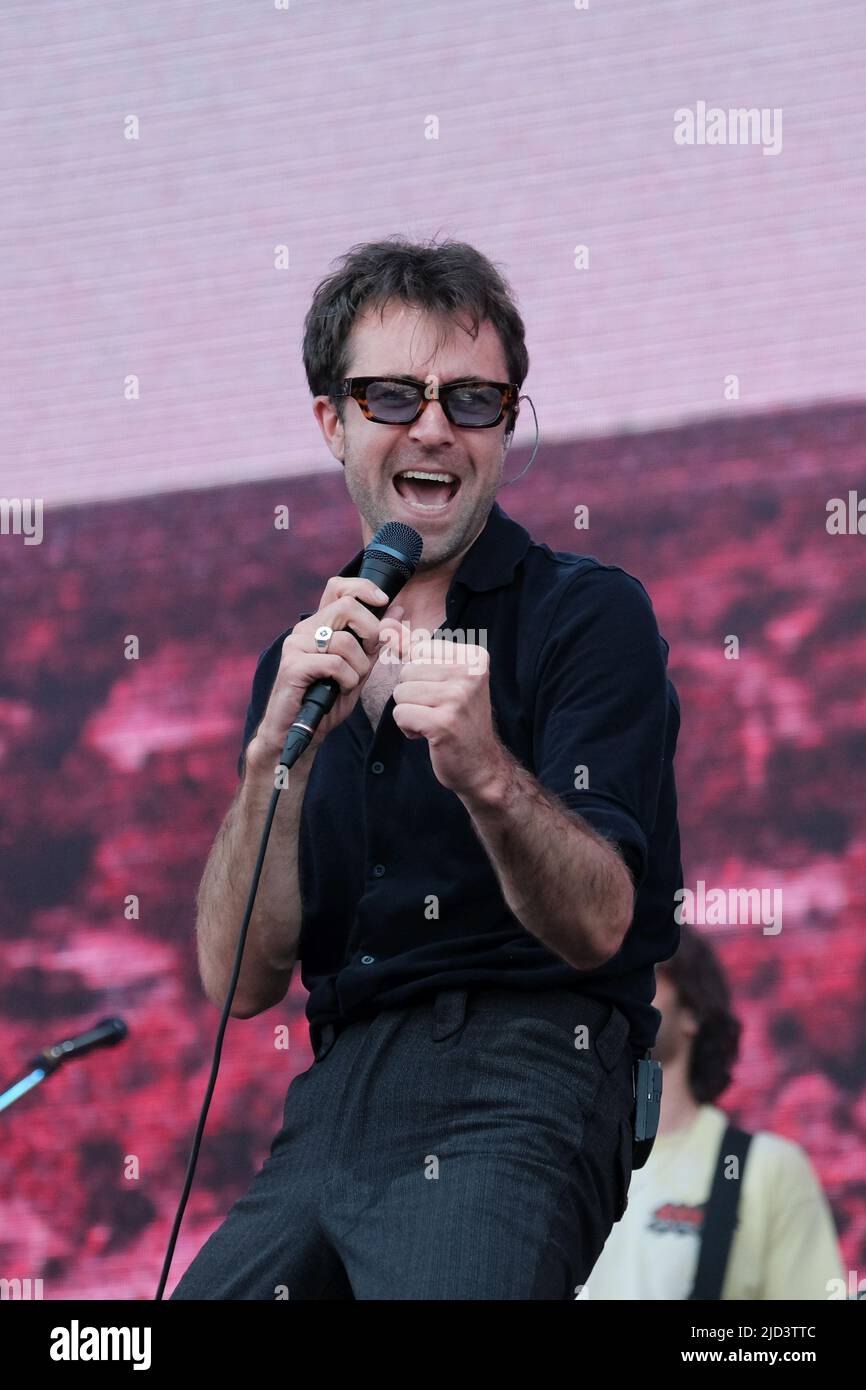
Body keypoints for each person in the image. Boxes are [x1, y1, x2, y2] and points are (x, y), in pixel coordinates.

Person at [171, 235, 683, 1300]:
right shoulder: (298, 660)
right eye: (394, 396)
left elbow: (599, 924)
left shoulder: (582, 613)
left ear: (507, 427)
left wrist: (486, 770)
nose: (435, 428)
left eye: (473, 400)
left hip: (521, 1077)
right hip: (332, 1097)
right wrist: (275, 755)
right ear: (333, 423)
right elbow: (239, 981)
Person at [579, 926, 845, 1300]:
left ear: (693, 1012)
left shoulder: (768, 1169)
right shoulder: (557, 1159)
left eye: (642, 972)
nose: (616, 989)